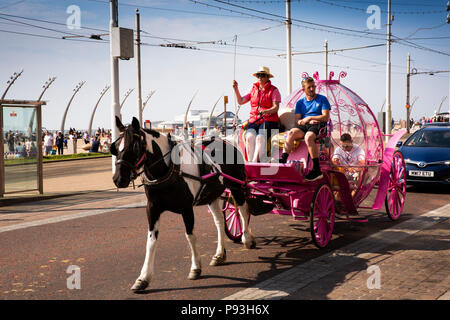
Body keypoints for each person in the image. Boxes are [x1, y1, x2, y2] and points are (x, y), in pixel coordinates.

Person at [279, 76, 331, 181]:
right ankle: (282, 161)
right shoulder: (300, 103)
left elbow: (326, 117)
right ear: (303, 89)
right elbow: (297, 120)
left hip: (319, 125)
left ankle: (316, 169)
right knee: (291, 133)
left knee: (308, 137)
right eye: (309, 87)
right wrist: (304, 121)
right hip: (305, 125)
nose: (312, 89)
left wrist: (310, 118)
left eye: (313, 87)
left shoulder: (322, 99)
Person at [233, 66, 281, 162]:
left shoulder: (274, 90)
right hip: (254, 120)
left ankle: (255, 162)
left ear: (267, 77)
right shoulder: (253, 89)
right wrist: (236, 89)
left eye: (262, 75)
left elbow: (276, 108)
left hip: (268, 120)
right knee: (249, 137)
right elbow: (241, 101)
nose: (260, 77)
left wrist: (266, 111)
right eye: (258, 75)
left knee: (260, 138)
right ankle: (250, 162)